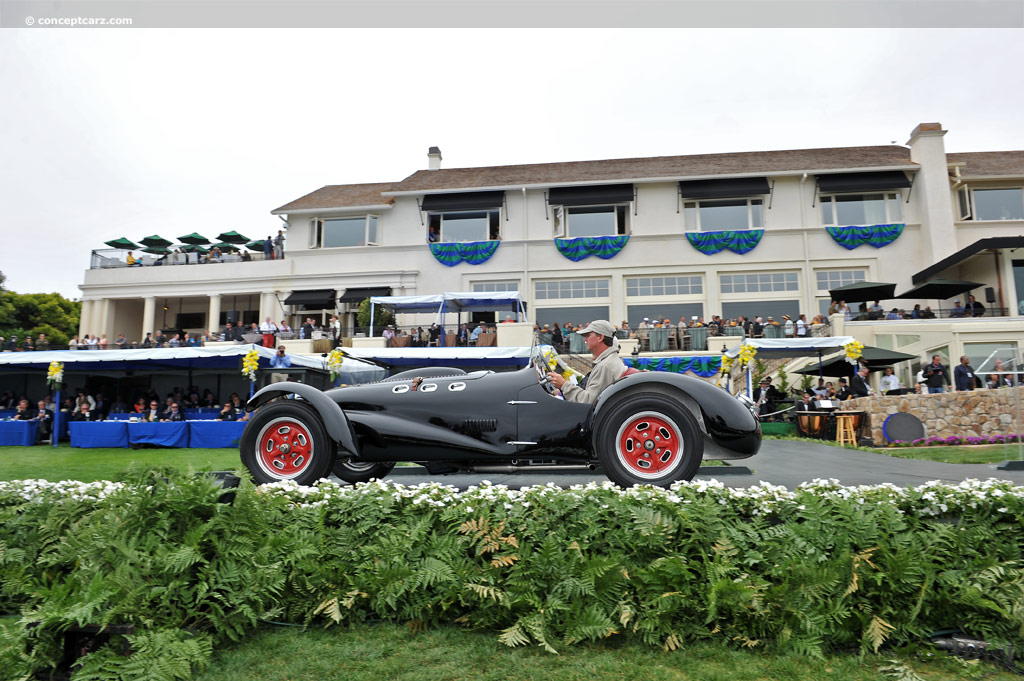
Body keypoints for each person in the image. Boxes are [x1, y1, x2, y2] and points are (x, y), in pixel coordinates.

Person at [546, 320, 626, 404]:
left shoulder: (605, 365)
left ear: (600, 337)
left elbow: (587, 401)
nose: (585, 339)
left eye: (588, 335)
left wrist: (563, 384)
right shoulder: (609, 361)